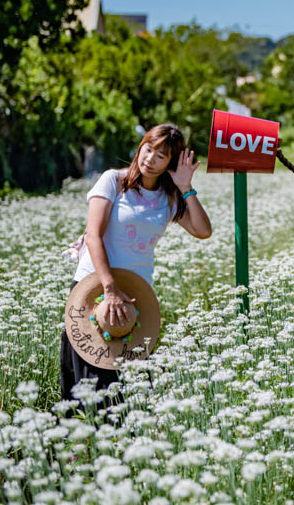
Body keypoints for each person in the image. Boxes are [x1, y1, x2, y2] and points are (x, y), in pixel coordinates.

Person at [60, 123, 212, 408]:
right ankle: (83, 449)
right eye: (148, 148)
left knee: (129, 385)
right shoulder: (113, 181)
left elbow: (203, 231)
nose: (149, 158)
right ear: (140, 146)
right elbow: (93, 234)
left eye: (161, 155)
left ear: (171, 162)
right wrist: (110, 288)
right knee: (89, 384)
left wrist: (186, 187)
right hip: (96, 287)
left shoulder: (169, 197)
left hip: (134, 296)